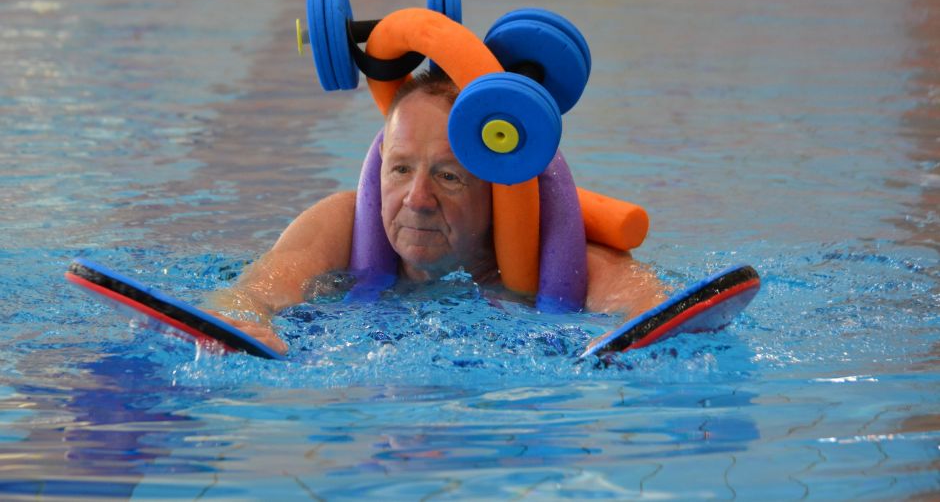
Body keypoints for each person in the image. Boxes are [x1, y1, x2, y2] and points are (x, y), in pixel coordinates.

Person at [211, 70, 666, 353]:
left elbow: (651, 309)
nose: (417, 199)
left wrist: (627, 340)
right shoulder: (341, 226)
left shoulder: (555, 254)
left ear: (498, 192)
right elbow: (251, 292)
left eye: (448, 176)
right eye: (401, 169)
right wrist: (248, 322)